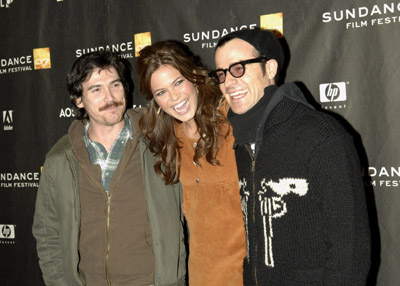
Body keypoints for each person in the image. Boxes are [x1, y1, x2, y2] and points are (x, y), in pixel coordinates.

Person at [210, 29, 371, 285]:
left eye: (238, 68)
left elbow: (349, 248)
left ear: (270, 68)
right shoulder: (242, 140)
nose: (228, 82)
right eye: (221, 73)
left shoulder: (321, 135)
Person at [32, 51, 186, 286]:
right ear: (79, 100)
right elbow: (47, 233)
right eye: (96, 90)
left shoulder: (160, 142)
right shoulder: (58, 160)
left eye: (115, 85)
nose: (110, 97)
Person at [136, 40, 246, 286]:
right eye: (161, 92)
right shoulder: (170, 140)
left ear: (194, 76)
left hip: (249, 275)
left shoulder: (233, 119)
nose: (174, 98)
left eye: (178, 83)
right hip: (201, 276)